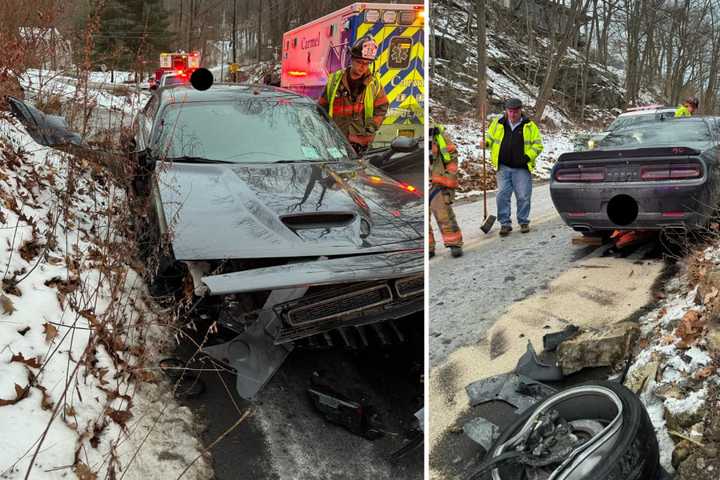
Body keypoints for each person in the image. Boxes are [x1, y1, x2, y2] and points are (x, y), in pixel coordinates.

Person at [318, 36, 388, 154]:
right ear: (351, 59)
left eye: (366, 63)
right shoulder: (335, 79)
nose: (363, 67)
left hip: (361, 142)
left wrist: (371, 127)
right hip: (335, 139)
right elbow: (322, 106)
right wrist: (324, 129)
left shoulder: (374, 84)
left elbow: (382, 107)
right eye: (359, 62)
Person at [485, 98, 543, 236]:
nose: (512, 114)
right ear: (506, 110)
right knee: (502, 195)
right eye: (510, 111)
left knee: (523, 196)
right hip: (503, 167)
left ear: (520, 110)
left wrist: (527, 157)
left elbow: (538, 145)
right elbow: (490, 139)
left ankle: (523, 221)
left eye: (515, 111)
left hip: (521, 168)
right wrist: (485, 144)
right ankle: (505, 224)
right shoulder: (498, 124)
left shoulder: (529, 126)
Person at [429, 124, 463, 258]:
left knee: (444, 214)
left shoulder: (439, 136)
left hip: (438, 182)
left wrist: (449, 176)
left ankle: (454, 243)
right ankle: (428, 248)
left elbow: (452, 157)